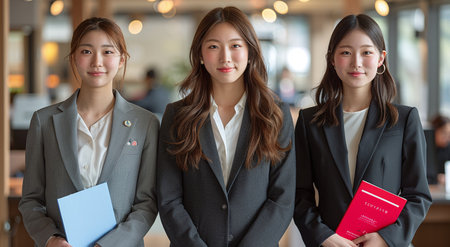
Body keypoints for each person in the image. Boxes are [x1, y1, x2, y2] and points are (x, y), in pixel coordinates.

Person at [156, 6, 295, 246]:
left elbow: (281, 199)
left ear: (250, 52)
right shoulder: (177, 115)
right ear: (200, 54)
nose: (225, 57)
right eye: (213, 46)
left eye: (235, 45)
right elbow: (169, 199)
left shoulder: (275, 115)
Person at [19, 17, 159, 247]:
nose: (97, 62)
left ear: (121, 59)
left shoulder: (145, 123)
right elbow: (31, 199)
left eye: (107, 52)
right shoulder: (44, 122)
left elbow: (147, 203)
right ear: (74, 57)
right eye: (86, 51)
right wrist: (50, 239)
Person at [294, 14, 432, 247]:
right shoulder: (310, 122)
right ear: (332, 59)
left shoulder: (404, 119)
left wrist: (386, 239)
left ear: (381, 58)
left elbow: (418, 195)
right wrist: (323, 236)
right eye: (346, 52)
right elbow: (299, 194)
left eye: (367, 52)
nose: (356, 62)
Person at [431, 114, 450, 184]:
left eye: (449, 134)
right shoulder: (424, 149)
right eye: (444, 133)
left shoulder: (448, 148)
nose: (447, 138)